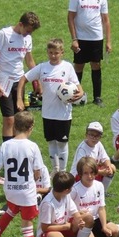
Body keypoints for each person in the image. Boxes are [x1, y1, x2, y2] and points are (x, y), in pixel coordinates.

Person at [16, 38, 84, 173]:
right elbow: (23, 79)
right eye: (51, 52)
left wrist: (80, 93)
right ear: (47, 52)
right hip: (47, 112)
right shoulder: (42, 67)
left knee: (62, 142)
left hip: (63, 114)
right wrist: (19, 99)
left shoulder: (67, 67)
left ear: (62, 53)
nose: (53, 55)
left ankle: (63, 171)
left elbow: (78, 87)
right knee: (51, 142)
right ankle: (55, 168)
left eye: (56, 53)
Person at [0, 12, 41, 141]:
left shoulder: (27, 38)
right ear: (20, 24)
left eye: (31, 32)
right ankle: (7, 149)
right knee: (9, 119)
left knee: (19, 118)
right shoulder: (4, 34)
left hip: (20, 81)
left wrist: (37, 82)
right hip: (4, 81)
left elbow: (29, 60)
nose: (28, 34)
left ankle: (17, 147)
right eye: (27, 31)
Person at [37, 171, 94, 237]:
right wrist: (65, 227)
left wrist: (80, 221)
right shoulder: (47, 204)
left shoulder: (65, 195)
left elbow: (74, 211)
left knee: (88, 218)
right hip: (50, 232)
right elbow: (44, 228)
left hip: (65, 225)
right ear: (67, 190)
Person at [67, 0, 111, 107]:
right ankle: (74, 95)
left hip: (96, 37)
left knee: (96, 65)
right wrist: (74, 39)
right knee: (78, 66)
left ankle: (97, 97)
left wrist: (108, 41)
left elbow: (106, 20)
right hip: (80, 38)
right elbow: (70, 18)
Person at [70, 156, 119, 237]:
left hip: (96, 219)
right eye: (86, 173)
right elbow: (67, 209)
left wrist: (104, 226)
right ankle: (75, 236)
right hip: (83, 221)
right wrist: (78, 214)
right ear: (80, 174)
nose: (89, 176)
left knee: (116, 231)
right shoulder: (74, 189)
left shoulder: (99, 185)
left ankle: (97, 233)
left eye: (92, 172)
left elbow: (101, 208)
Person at [69, 121, 115, 193]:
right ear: (86, 135)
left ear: (100, 137)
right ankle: (90, 193)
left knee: (112, 167)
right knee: (89, 173)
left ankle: (101, 192)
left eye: (97, 136)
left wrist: (108, 167)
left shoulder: (98, 144)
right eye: (91, 135)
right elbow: (83, 168)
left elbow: (105, 158)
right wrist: (100, 172)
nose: (94, 138)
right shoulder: (83, 149)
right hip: (79, 175)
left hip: (92, 171)